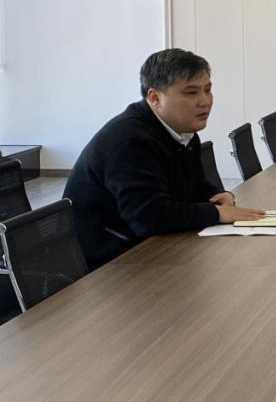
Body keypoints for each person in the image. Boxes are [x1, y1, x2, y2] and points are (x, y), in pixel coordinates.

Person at [64, 49, 264, 270]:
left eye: (208, 90)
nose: (205, 101)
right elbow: (148, 217)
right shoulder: (132, 142)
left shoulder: (183, 131)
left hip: (151, 248)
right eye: (191, 93)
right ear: (155, 98)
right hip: (109, 265)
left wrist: (218, 195)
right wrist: (216, 213)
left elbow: (193, 186)